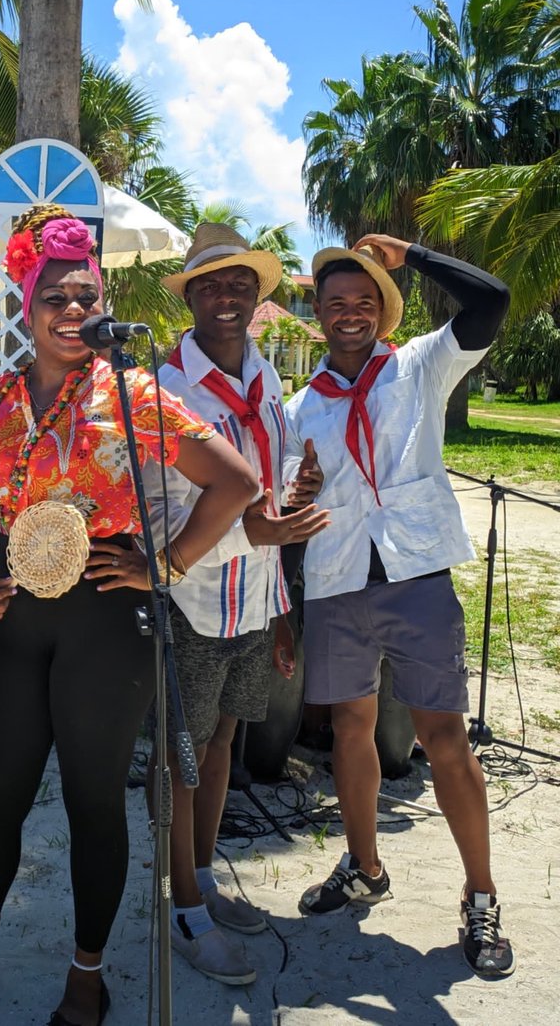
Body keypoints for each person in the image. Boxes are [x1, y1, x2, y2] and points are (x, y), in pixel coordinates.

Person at [0, 205, 258, 1026]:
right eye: (55, 300)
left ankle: (87, 969)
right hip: (14, 614)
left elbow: (237, 483)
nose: (72, 313)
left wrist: (166, 564)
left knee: (93, 800)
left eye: (85, 298)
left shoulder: (133, 392)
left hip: (109, 618)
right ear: (26, 309)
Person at [284, 234, 514, 977]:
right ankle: (364, 866)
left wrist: (409, 254)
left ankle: (480, 895)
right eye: (336, 304)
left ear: (384, 311)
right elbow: (288, 510)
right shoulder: (298, 409)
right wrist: (290, 586)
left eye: (365, 302)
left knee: (444, 735)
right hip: (336, 583)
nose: (350, 315)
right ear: (316, 314)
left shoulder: (418, 365)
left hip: (416, 576)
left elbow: (491, 301)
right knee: (351, 728)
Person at [154, 224, 330, 985]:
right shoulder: (164, 387)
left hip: (253, 605)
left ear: (257, 299)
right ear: (190, 297)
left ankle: (200, 877)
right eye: (211, 285)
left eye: (240, 286)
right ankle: (183, 906)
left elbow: (271, 484)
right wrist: (250, 529)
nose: (227, 298)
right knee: (182, 761)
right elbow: (157, 514)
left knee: (221, 747)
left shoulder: (268, 378)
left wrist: (282, 602)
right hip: (192, 600)